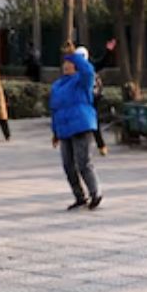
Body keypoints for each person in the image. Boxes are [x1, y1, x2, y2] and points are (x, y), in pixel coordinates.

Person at [51, 52, 103, 210]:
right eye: (65, 63)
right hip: (64, 128)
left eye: (70, 63)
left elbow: (88, 71)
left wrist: (75, 55)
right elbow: (54, 109)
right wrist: (55, 132)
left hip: (81, 124)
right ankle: (80, 196)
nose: (66, 66)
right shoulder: (57, 85)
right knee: (68, 165)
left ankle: (95, 193)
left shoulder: (82, 81)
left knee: (83, 162)